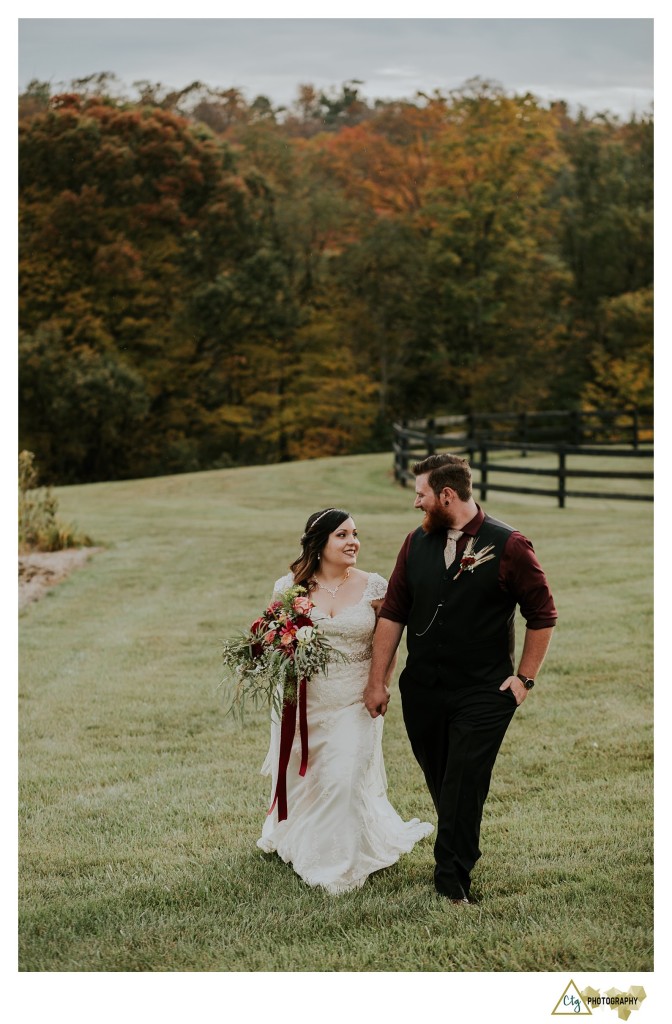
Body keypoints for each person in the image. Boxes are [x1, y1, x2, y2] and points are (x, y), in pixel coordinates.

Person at [363, 454, 557, 904]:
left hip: (483, 692)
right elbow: (393, 612)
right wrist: (378, 681)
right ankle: (458, 846)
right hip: (423, 690)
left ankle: (451, 881)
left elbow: (542, 616)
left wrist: (523, 680)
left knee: (464, 782)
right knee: (442, 781)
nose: (416, 503)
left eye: (421, 494)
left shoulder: (509, 545)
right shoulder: (415, 543)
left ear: (446, 496)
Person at [258, 507, 433, 894]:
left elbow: (388, 642)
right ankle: (303, 838)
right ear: (319, 544)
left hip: (357, 698)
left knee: (343, 778)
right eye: (342, 535)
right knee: (307, 780)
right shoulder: (289, 588)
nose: (353, 541)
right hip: (306, 702)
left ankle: (337, 867)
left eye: (355, 534)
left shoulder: (374, 586)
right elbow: (271, 637)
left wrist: (380, 684)